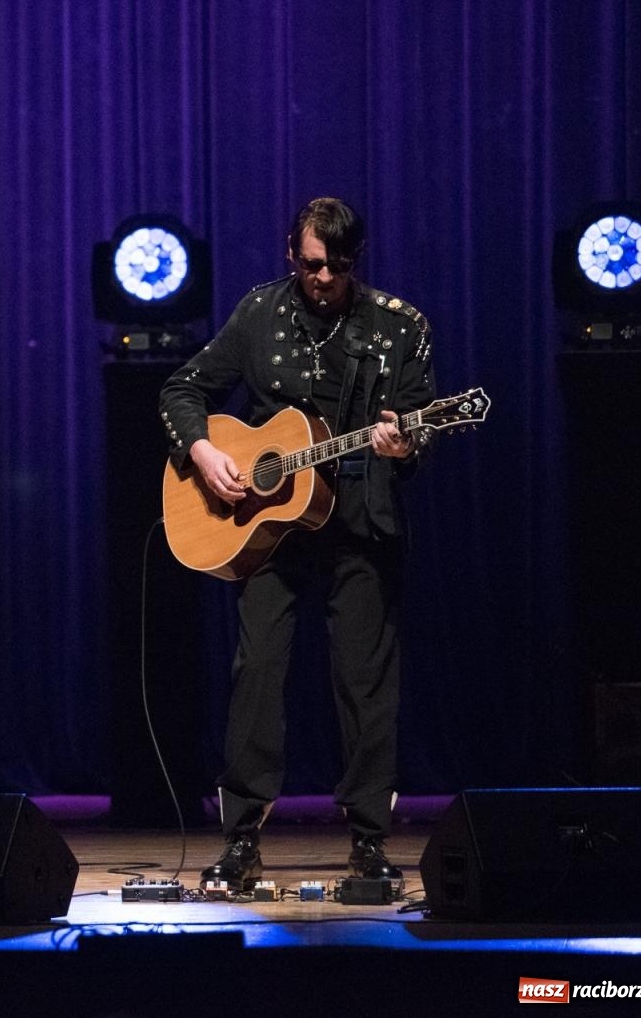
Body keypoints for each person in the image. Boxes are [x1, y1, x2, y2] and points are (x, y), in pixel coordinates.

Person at [157, 198, 435, 890]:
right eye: (312, 265)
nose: (323, 279)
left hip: (360, 526)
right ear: (291, 255)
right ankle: (241, 840)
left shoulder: (399, 327)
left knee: (365, 682)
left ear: (354, 262)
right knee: (256, 673)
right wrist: (203, 450)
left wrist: (403, 444)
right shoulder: (260, 313)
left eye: (338, 268)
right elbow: (183, 387)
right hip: (271, 529)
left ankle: (370, 840)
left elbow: (418, 436)